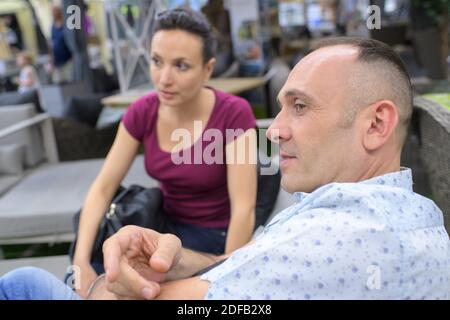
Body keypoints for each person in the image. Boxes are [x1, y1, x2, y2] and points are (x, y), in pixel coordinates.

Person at [1, 37, 449, 300]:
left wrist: (103, 283)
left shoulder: (337, 236)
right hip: (194, 247)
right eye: (157, 62)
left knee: (21, 284)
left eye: (300, 106)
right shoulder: (418, 216)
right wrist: (177, 261)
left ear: (376, 123)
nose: (273, 132)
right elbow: (240, 265)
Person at [70, 8, 257, 298]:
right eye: (157, 62)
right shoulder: (143, 111)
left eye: (181, 66)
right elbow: (103, 187)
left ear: (208, 69)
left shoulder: (234, 114)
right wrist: (80, 261)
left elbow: (244, 209)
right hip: (162, 227)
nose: (164, 79)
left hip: (215, 237)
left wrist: (225, 274)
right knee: (105, 270)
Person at [46, 5, 73, 84]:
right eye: (52, 11)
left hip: (68, 58)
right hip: (57, 60)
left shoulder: (67, 24)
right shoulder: (53, 26)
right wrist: (51, 60)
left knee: (70, 80)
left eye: (55, 11)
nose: (53, 13)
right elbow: (51, 44)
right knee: (58, 81)